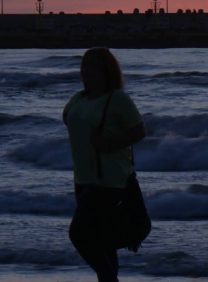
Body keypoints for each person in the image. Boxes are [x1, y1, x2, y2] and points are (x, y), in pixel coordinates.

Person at [63, 48, 146, 282]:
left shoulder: (117, 98)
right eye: (84, 65)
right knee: (101, 240)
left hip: (109, 180)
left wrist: (109, 144)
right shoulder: (78, 98)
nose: (87, 70)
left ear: (107, 70)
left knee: (79, 234)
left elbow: (140, 130)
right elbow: (68, 118)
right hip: (83, 179)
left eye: (94, 66)